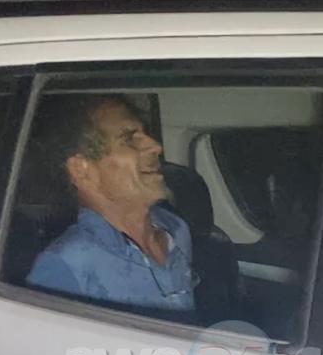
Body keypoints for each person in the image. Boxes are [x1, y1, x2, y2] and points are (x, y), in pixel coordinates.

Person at [25, 94, 196, 315]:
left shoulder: (176, 230)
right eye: (129, 140)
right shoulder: (67, 264)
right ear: (81, 170)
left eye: (146, 135)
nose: (155, 147)